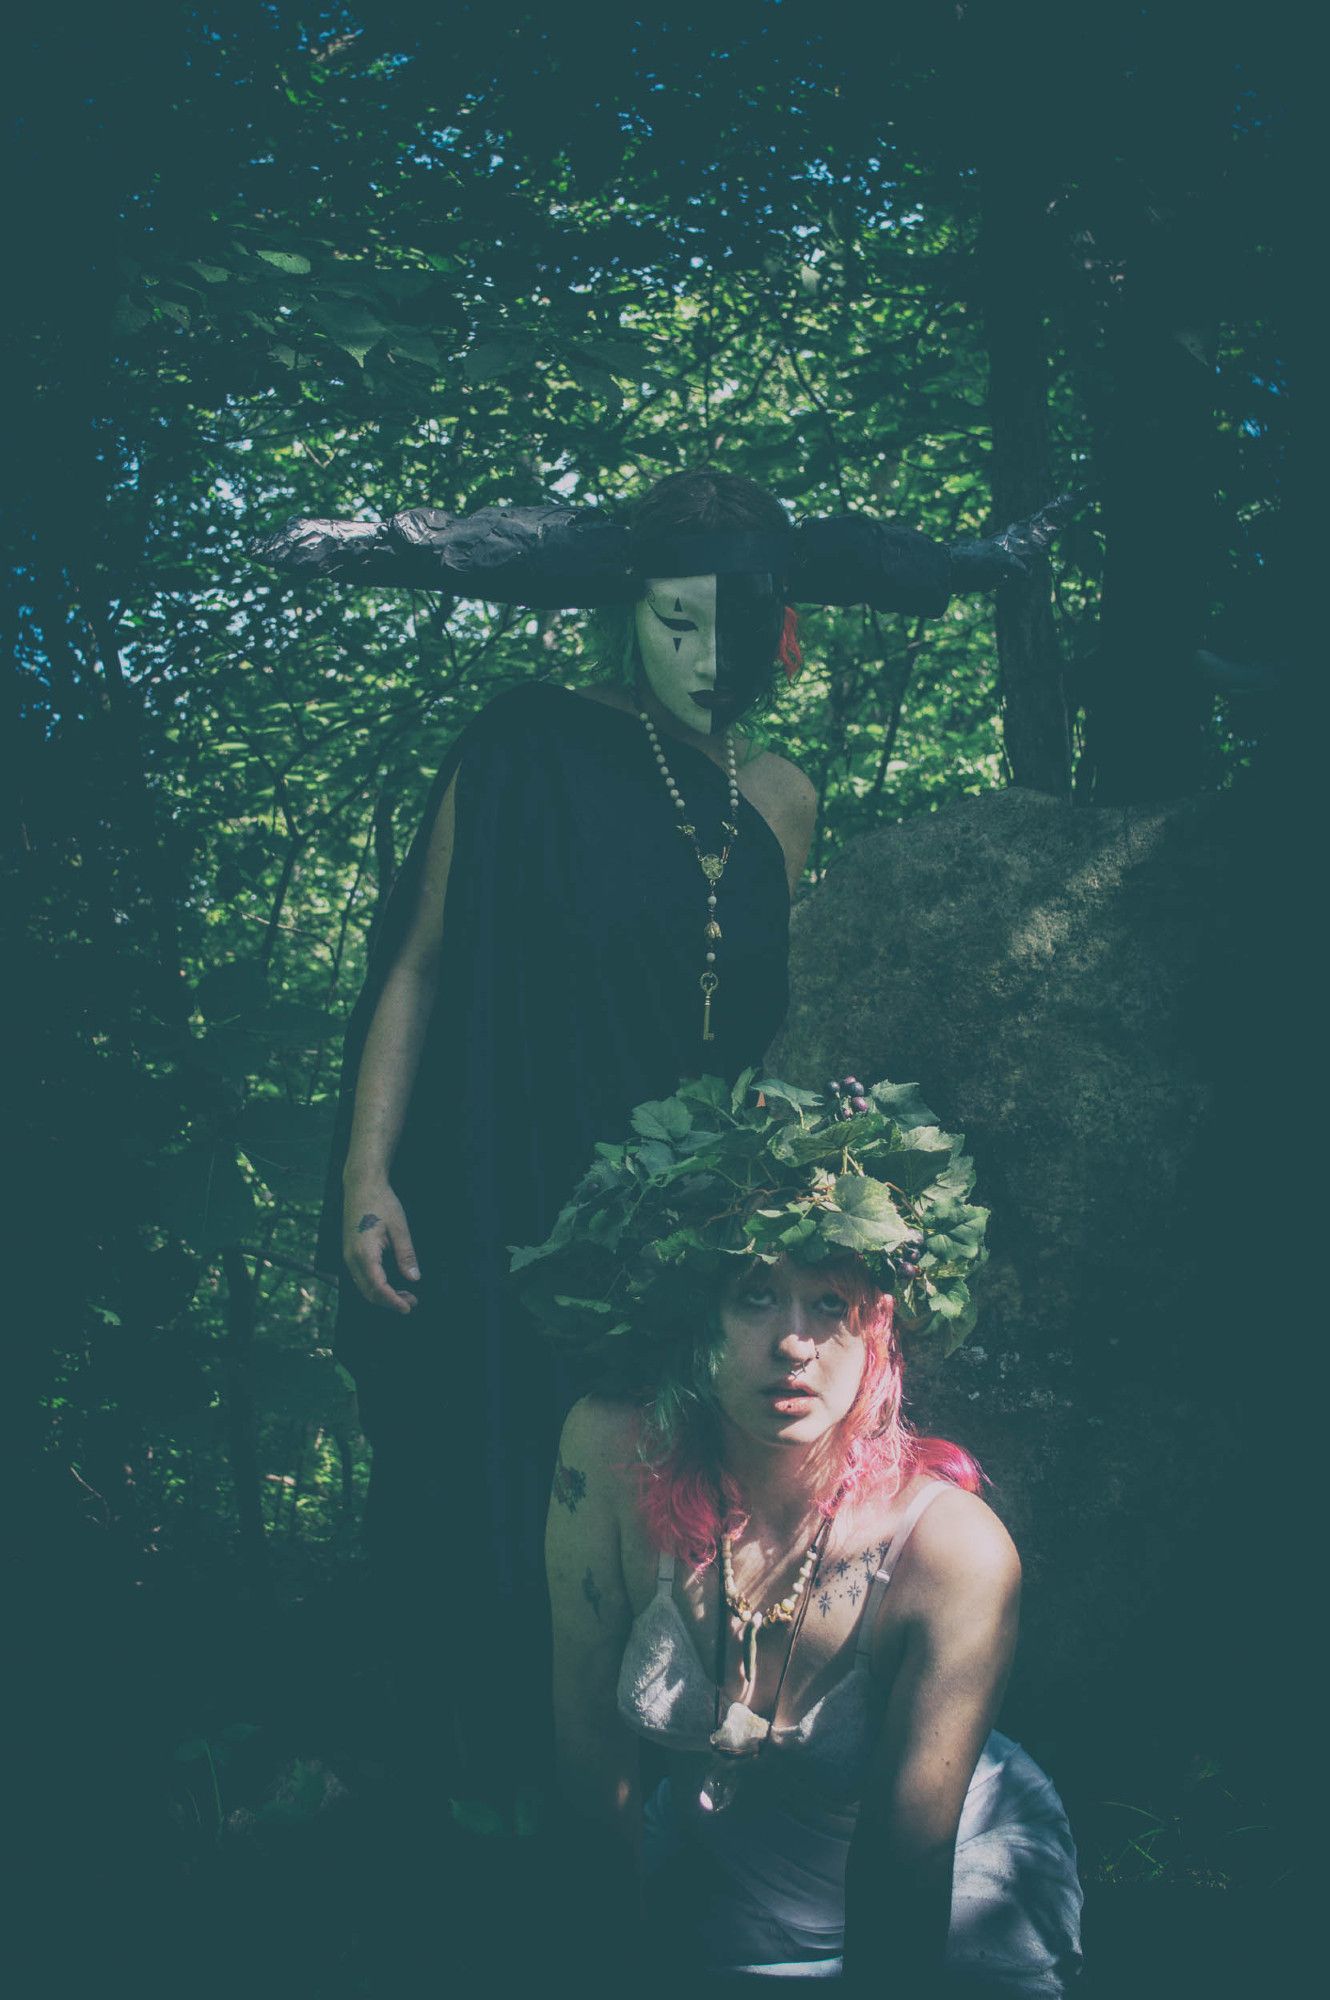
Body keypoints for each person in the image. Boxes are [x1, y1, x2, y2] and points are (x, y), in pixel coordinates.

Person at [522, 1071, 1083, 1989]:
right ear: (697, 1314)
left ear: (879, 1331)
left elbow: (905, 1878)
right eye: (754, 1295)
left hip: (946, 1886)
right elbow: (591, 1764)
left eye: (830, 1304)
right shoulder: (610, 1452)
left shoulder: (957, 1555)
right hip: (717, 1861)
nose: (793, 1344)